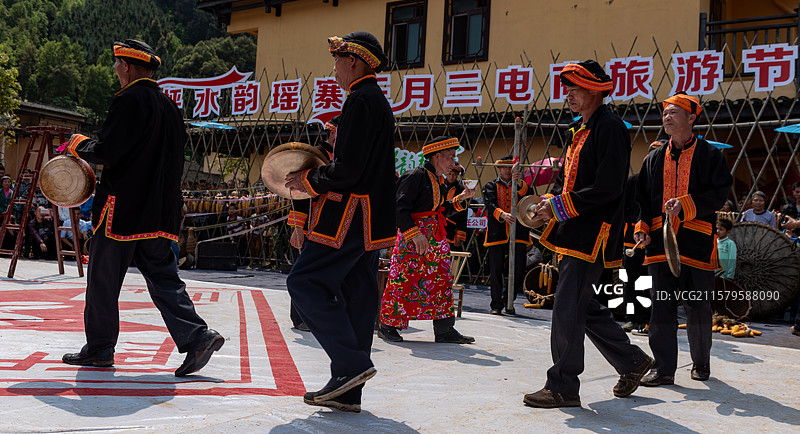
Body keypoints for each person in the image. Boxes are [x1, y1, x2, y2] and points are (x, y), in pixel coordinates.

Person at [60, 39, 224, 376]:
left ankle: (100, 348)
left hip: (122, 210)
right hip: (160, 213)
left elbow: (109, 150)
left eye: (118, 65)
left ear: (127, 67)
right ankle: (197, 336)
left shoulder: (129, 99)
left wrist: (79, 144)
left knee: (103, 280)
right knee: (164, 278)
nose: (116, 71)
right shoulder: (169, 107)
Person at [524, 60, 653, 408]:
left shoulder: (609, 127)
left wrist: (559, 206)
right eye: (567, 88)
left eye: (575, 88)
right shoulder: (579, 128)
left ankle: (563, 386)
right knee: (581, 306)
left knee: (567, 309)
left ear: (596, 91)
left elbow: (609, 188)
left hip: (592, 233)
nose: (568, 94)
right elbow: (571, 181)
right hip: (574, 229)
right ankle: (631, 361)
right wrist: (549, 202)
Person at [283, 31, 395, 413]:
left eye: (337, 62)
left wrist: (309, 180)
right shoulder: (374, 102)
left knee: (303, 281)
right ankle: (348, 391)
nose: (334, 70)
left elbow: (348, 170)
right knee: (358, 298)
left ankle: (351, 364)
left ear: (354, 62)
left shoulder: (361, 101)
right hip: (369, 219)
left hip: (347, 215)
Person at [634, 92, 733, 386]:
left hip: (695, 242)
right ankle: (664, 370)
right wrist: (641, 227)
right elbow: (641, 199)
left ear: (691, 118)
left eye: (674, 113)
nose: (667, 117)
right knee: (660, 306)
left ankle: (701, 362)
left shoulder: (709, 155)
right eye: (665, 113)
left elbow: (720, 194)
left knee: (697, 306)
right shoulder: (653, 158)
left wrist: (687, 205)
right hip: (659, 245)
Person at [378, 137, 476, 344]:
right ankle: (388, 325)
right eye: (450, 157)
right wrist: (414, 233)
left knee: (441, 282)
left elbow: (441, 211)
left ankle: (444, 329)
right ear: (437, 156)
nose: (453, 162)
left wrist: (463, 197)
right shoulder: (415, 176)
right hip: (413, 239)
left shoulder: (437, 180)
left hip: (435, 239)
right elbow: (398, 207)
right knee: (403, 280)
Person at [482, 154, 533, 315]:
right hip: (497, 233)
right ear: (499, 168)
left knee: (518, 270)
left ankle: (507, 300)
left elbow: (529, 198)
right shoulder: (491, 185)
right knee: (496, 271)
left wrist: (519, 183)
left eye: (510, 167)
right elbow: (489, 204)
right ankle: (496, 305)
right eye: (504, 167)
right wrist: (502, 214)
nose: (507, 170)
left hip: (519, 232)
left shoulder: (522, 185)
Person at [444, 163, 468, 249]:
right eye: (449, 174)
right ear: (446, 173)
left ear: (458, 175)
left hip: (453, 227)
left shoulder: (462, 190)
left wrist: (460, 234)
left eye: (455, 174)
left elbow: (463, 214)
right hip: (438, 225)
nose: (452, 177)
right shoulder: (440, 186)